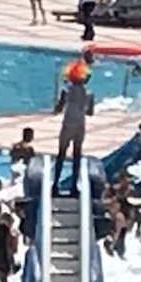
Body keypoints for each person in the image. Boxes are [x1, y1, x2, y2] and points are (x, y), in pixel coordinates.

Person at [52, 59, 93, 193]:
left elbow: (58, 109)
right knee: (77, 155)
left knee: (61, 154)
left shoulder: (66, 91)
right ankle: (74, 186)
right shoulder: (89, 94)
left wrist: (58, 105)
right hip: (80, 125)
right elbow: (90, 112)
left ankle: (55, 184)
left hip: (68, 124)